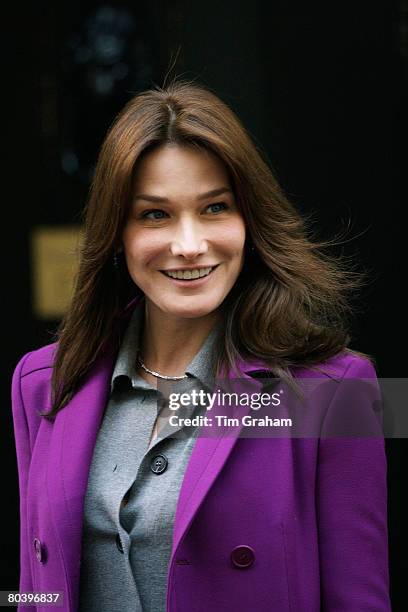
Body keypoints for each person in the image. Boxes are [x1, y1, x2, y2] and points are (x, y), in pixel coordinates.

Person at [11, 79, 391, 611]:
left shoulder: (334, 392)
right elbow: (35, 587)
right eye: (155, 214)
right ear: (116, 234)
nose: (189, 245)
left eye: (214, 208)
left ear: (249, 222)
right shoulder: (41, 383)